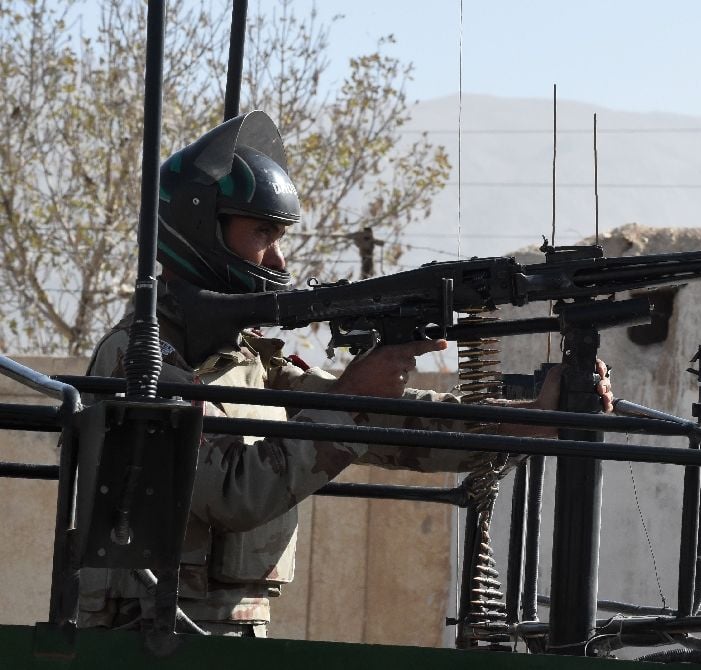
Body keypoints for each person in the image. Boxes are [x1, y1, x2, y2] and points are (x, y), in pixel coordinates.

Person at [79, 111, 613, 637]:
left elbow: (384, 428)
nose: (279, 261)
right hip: (144, 632)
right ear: (200, 231)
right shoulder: (139, 359)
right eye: (263, 232)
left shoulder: (247, 359)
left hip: (220, 630)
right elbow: (233, 493)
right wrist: (355, 396)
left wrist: (532, 420)